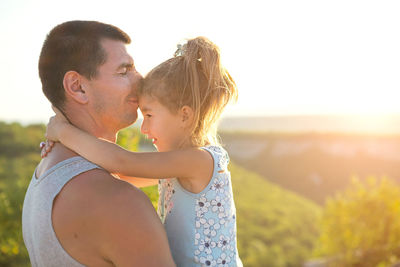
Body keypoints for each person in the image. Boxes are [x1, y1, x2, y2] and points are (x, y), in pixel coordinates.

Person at [45, 36, 242, 267]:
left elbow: (122, 162)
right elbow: (119, 176)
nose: (145, 129)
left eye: (149, 115)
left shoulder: (201, 160)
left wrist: (64, 132)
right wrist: (68, 148)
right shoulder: (177, 164)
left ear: (185, 115)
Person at [22, 20, 175, 267]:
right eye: (124, 71)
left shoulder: (45, 174)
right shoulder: (117, 200)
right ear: (78, 87)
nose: (141, 79)